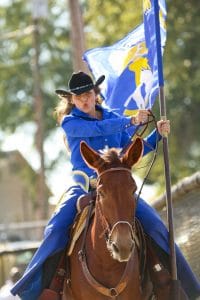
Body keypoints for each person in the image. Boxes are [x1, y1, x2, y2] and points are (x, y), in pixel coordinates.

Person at [11, 71, 200, 300]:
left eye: (88, 94)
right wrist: (130, 121)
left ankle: (175, 287)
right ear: (72, 99)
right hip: (83, 185)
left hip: (116, 187)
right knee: (56, 227)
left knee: (156, 226)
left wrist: (157, 135)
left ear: (95, 94)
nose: (84, 100)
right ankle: (43, 289)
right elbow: (99, 130)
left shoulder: (112, 117)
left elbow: (132, 152)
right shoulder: (70, 122)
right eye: (78, 96)